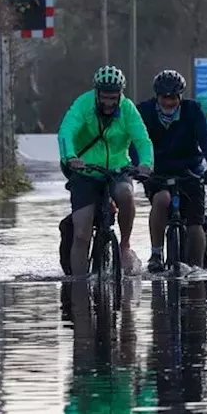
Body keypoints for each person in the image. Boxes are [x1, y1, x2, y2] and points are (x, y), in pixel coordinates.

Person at [57, 65, 154, 277]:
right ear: (96, 92)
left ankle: (125, 245)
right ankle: (79, 285)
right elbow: (66, 131)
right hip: (86, 172)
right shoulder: (83, 105)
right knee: (81, 233)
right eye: (104, 97)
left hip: (118, 169)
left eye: (113, 97)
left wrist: (146, 163)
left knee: (125, 194)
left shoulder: (128, 109)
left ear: (120, 94)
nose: (109, 103)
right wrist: (71, 157)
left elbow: (142, 140)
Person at [136, 69, 207, 273]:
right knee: (161, 200)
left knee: (194, 224)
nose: (168, 102)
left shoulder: (193, 110)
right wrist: (139, 166)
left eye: (173, 98)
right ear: (157, 97)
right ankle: (156, 254)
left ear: (180, 97)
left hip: (190, 172)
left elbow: (205, 139)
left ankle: (196, 269)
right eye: (164, 98)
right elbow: (136, 141)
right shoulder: (144, 112)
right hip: (157, 173)